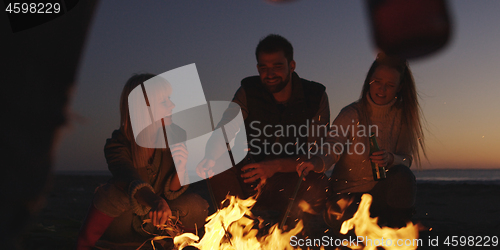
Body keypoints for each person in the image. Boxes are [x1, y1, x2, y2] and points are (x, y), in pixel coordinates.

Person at [197, 34, 330, 228]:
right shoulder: (249, 91)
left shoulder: (315, 96)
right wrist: (210, 154)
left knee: (318, 181)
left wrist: (275, 166)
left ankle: (290, 233)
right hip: (251, 175)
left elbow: (316, 154)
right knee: (218, 160)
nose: (270, 74)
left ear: (291, 65)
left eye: (277, 66)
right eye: (263, 68)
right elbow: (225, 128)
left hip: (291, 177)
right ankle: (238, 230)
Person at [76, 74, 209, 249]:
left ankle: (172, 242)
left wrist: (182, 167)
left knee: (196, 205)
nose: (173, 105)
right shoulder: (118, 144)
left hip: (156, 223)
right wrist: (155, 201)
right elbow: (127, 177)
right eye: (164, 102)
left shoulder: (173, 137)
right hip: (125, 223)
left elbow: (172, 193)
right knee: (113, 193)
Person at [298, 53, 426, 230]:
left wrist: (390, 158)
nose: (381, 90)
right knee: (355, 226)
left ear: (399, 87)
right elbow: (332, 146)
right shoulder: (351, 114)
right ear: (369, 80)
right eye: (377, 82)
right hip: (345, 199)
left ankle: (398, 232)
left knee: (403, 176)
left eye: (389, 85)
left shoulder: (403, 117)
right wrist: (316, 162)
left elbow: (406, 160)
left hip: (381, 197)